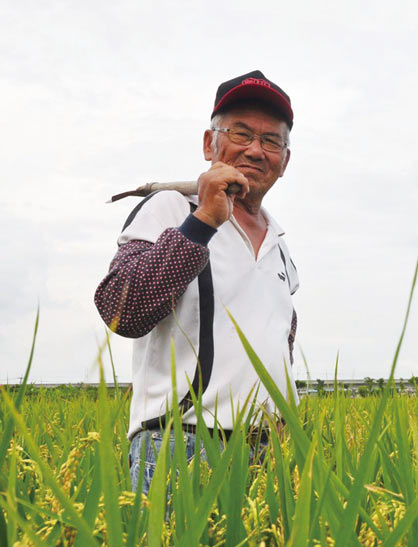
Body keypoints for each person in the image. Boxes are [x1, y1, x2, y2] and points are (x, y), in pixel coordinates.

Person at [95, 70, 300, 494]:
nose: (256, 150)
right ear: (210, 144)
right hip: (178, 444)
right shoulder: (170, 209)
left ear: (285, 160)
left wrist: (282, 419)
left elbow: (280, 340)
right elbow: (121, 310)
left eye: (271, 140)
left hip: (266, 453)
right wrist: (203, 221)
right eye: (240, 133)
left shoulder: (280, 246)